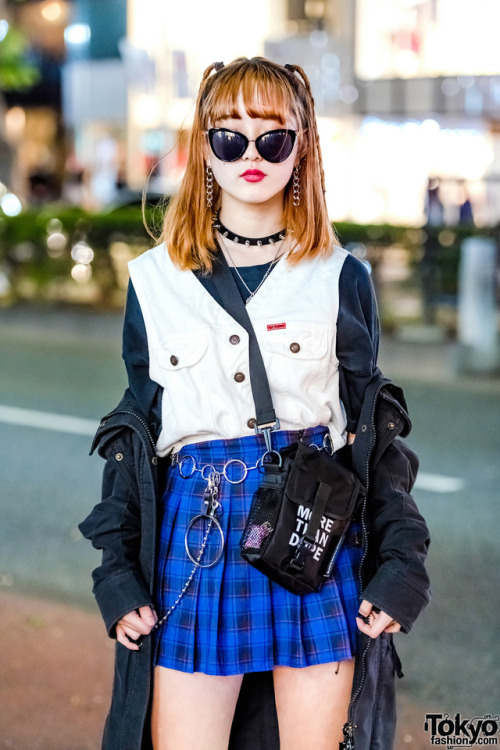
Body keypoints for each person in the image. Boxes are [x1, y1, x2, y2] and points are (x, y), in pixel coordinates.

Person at [80, 57, 430, 750]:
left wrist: (401, 566)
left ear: (301, 148)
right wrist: (116, 576)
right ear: (203, 148)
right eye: (228, 136)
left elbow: (374, 438)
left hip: (313, 537)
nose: (250, 155)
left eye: (272, 138)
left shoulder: (340, 275)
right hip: (197, 543)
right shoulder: (154, 281)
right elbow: (135, 435)